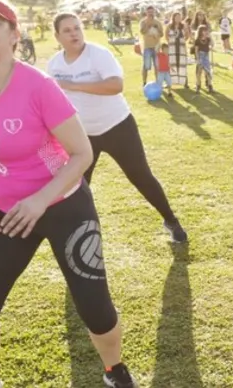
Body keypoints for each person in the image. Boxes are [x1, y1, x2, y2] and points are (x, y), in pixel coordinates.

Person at [0, 0, 136, 388]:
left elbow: (82, 153)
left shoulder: (39, 86)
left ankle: (114, 369)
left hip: (64, 207)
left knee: (95, 308)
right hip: (8, 214)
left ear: (14, 34)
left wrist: (39, 200)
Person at [48, 13, 188, 243]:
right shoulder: (54, 64)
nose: (74, 33)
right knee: (76, 185)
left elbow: (116, 85)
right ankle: (80, 235)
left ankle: (171, 221)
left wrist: (72, 85)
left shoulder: (98, 54)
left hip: (117, 126)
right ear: (57, 36)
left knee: (140, 176)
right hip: (82, 136)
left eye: (77, 28)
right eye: (67, 30)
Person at [139, 6, 164, 87]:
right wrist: (148, 24)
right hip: (147, 47)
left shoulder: (158, 22)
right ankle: (144, 82)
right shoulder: (143, 22)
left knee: (157, 66)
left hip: (156, 47)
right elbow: (142, 32)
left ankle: (158, 82)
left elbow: (162, 34)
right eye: (149, 12)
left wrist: (157, 31)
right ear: (146, 12)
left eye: (152, 12)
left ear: (154, 12)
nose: (150, 13)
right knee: (146, 65)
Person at [166, 12, 190, 89]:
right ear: (173, 18)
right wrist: (170, 42)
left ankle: (185, 82)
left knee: (182, 63)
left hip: (181, 47)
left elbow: (187, 34)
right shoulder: (169, 26)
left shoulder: (183, 26)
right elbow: (166, 34)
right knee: (172, 64)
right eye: (176, 17)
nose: (178, 19)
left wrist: (183, 41)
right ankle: (170, 82)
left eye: (179, 17)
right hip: (172, 47)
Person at [193, 24, 215, 93]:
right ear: (200, 31)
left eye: (206, 30)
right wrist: (197, 58)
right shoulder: (197, 40)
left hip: (206, 56)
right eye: (203, 31)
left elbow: (212, 44)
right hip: (200, 56)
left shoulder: (207, 39)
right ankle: (198, 85)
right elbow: (196, 50)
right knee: (199, 72)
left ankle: (210, 85)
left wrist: (210, 37)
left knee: (208, 71)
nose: (205, 32)